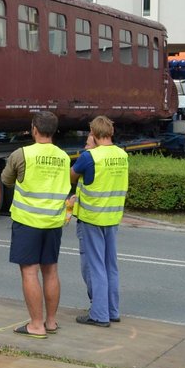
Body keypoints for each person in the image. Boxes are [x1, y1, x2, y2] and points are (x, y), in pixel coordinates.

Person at [1, 110, 71, 339]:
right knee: (50, 270)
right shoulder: (63, 156)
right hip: (53, 221)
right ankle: (51, 322)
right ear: (54, 131)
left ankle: (36, 325)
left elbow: (6, 179)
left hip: (28, 221)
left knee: (29, 272)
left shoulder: (22, 154)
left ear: (34, 129)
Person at [69, 116, 128, 327]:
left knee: (95, 267)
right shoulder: (122, 155)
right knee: (110, 265)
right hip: (113, 217)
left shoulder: (89, 157)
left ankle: (99, 314)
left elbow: (71, 177)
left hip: (92, 217)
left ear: (93, 134)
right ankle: (112, 310)